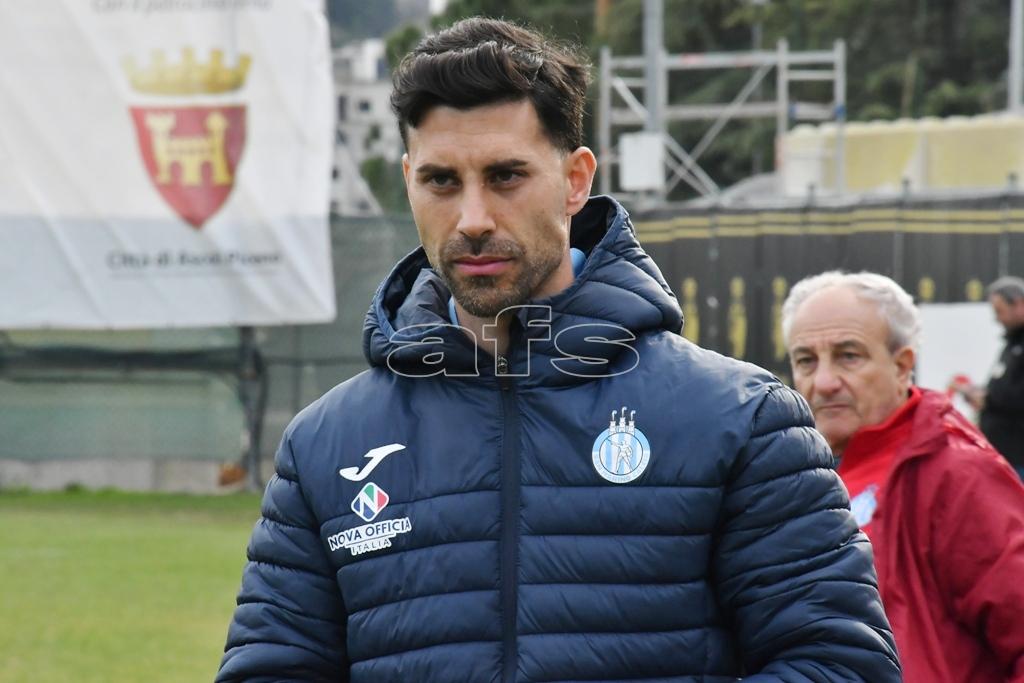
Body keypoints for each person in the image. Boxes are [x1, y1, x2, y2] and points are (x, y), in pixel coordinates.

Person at [216, 18, 899, 682]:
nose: (473, 218)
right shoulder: (326, 445)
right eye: (442, 181)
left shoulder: (741, 419)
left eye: (506, 176)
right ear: (408, 182)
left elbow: (842, 663)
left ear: (575, 180)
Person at [783, 270, 1024, 683]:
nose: (823, 382)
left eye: (848, 356)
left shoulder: (956, 475)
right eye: (806, 360)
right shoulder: (789, 479)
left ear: (902, 366)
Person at [949, 276, 1024, 475]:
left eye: (1000, 311)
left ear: (1019, 304)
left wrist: (987, 399)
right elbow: (1004, 387)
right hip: (1005, 454)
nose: (997, 319)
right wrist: (978, 393)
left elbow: (1016, 396)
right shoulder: (1012, 344)